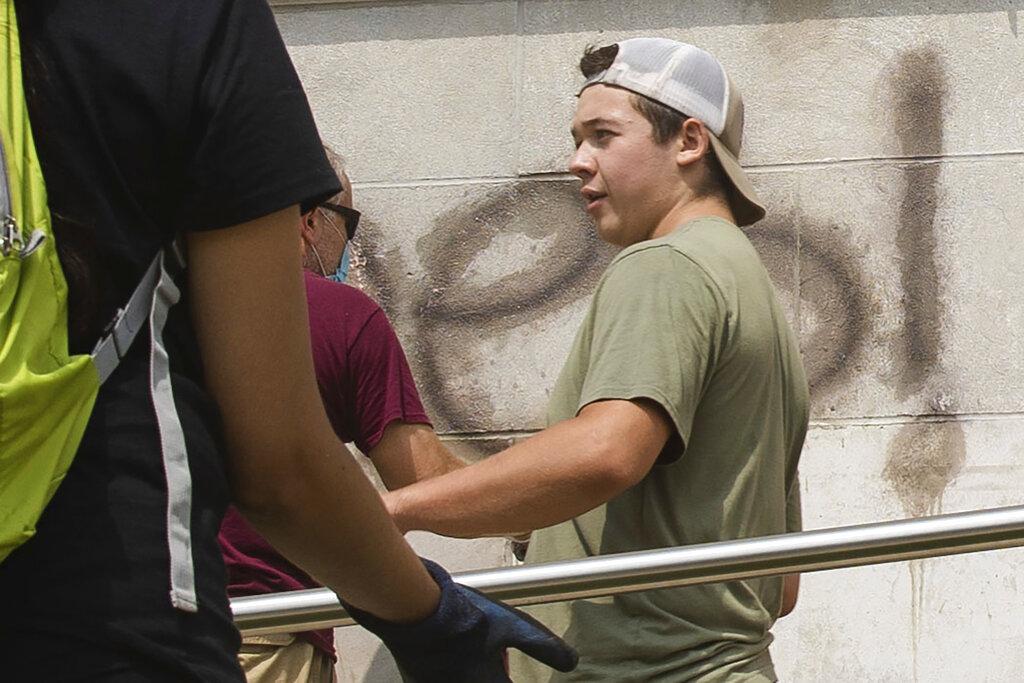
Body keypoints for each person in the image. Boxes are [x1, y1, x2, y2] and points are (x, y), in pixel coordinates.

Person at [0, 2, 574, 681]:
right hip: (123, 617)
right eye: (345, 220)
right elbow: (283, 471)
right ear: (303, 217)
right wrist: (435, 617)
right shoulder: (185, 24)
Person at [382, 37, 809, 681]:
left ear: (689, 142)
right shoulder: (747, 284)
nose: (578, 161)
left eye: (603, 136)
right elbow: (781, 587)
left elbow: (606, 451)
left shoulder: (666, 265)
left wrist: (395, 512)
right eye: (577, 138)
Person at [220, 149, 467, 682]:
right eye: (346, 221)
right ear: (307, 218)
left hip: (122, 625)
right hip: (267, 635)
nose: (349, 247)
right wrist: (540, 496)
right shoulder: (341, 316)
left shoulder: (151, 306)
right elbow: (423, 478)